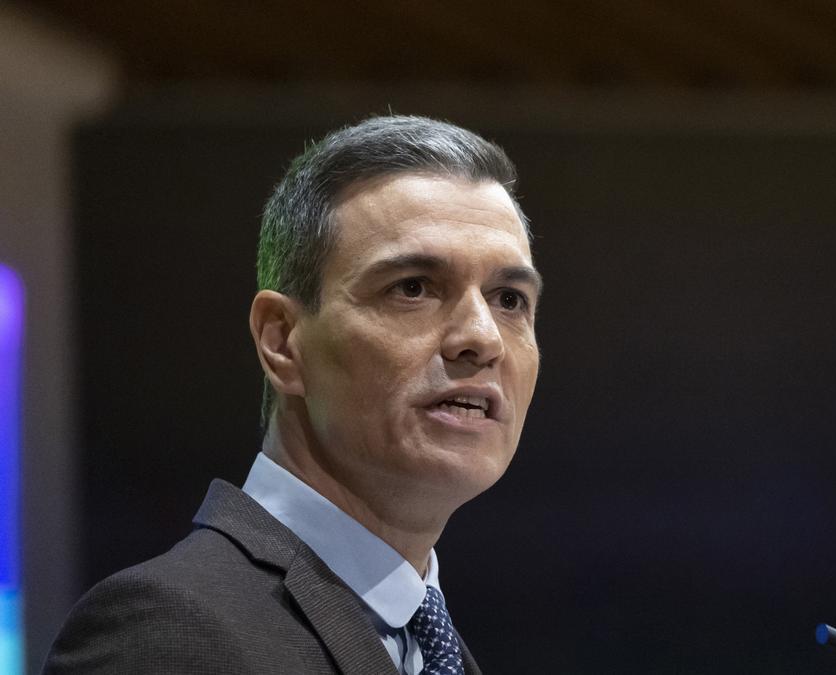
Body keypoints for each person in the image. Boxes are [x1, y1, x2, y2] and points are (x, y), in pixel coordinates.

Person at [43, 115, 542, 674]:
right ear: (281, 341)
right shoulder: (164, 633)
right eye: (413, 288)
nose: (482, 337)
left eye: (509, 299)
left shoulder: (429, 647)